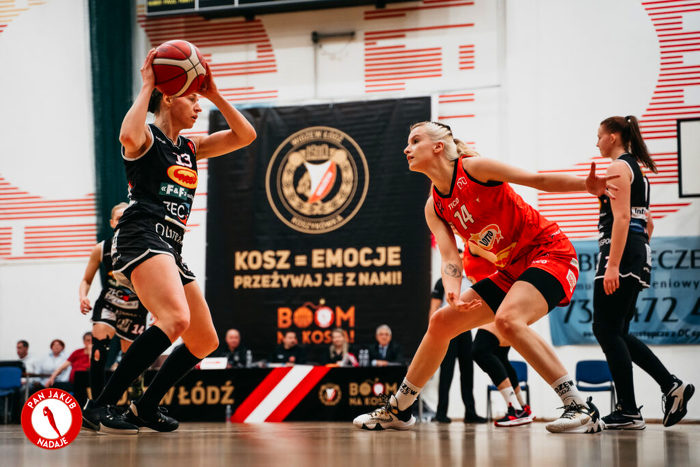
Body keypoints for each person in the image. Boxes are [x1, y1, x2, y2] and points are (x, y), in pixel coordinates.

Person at [353, 121, 616, 432]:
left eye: (415, 140)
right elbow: (450, 257)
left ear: (438, 146)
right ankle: (400, 408)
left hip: (550, 251)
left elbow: (538, 179)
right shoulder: (434, 206)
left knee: (507, 320)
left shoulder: (474, 168)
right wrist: (452, 290)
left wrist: (586, 186)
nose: (406, 148)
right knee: (441, 322)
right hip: (511, 269)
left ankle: (579, 406)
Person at [82, 49, 256, 434]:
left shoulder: (192, 148)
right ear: (169, 97)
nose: (198, 106)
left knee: (204, 340)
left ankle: (144, 406)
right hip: (142, 234)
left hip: (170, 245)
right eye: (191, 99)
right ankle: (100, 404)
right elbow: (127, 135)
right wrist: (148, 85)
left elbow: (246, 136)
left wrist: (213, 93)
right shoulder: (147, 139)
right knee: (175, 319)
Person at [592, 115, 694, 429]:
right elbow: (647, 223)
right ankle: (670, 385)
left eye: (599, 136)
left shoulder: (618, 167)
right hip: (635, 252)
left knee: (605, 329)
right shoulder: (636, 170)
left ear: (612, 136)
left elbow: (622, 218)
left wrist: (613, 264)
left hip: (621, 254)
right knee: (617, 331)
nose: (596, 142)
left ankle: (628, 410)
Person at [79, 202, 150, 401]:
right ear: (112, 222)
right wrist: (83, 296)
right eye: (119, 218)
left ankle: (135, 402)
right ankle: (97, 405)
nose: (123, 221)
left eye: (127, 217)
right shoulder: (101, 248)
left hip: (136, 307)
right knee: (98, 351)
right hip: (109, 302)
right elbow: (86, 280)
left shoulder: (145, 246)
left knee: (132, 360)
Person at [429, 250, 486, 424]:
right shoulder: (442, 282)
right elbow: (434, 308)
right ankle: (441, 413)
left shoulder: (470, 281)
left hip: (465, 330)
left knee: (467, 371)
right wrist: (433, 332)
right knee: (446, 372)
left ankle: (470, 412)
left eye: (462, 259)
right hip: (448, 330)